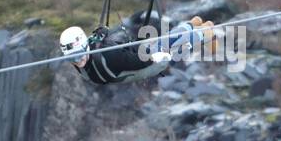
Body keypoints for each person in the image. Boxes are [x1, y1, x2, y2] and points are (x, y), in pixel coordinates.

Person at [59, 16, 218, 85]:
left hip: (143, 64)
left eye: (79, 55)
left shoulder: (109, 55)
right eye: (71, 59)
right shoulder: (88, 53)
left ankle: (205, 34)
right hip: (131, 62)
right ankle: (192, 25)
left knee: (171, 50)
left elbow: (137, 62)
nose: (77, 61)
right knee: (165, 42)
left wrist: (154, 57)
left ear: (85, 45)